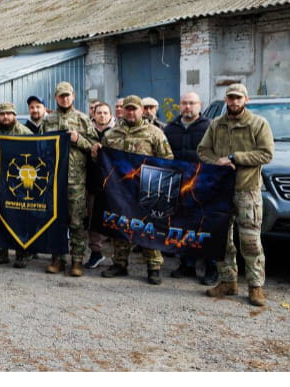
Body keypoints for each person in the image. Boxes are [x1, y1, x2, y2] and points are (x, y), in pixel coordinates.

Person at [197, 83, 274, 307]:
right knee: (222, 239)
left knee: (250, 241)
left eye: (238, 98)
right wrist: (218, 162)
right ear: (226, 99)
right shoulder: (216, 124)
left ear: (246, 100)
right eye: (231, 98)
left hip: (247, 190)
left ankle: (255, 286)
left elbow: (266, 153)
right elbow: (203, 150)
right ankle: (228, 281)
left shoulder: (257, 124)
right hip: (220, 190)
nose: (234, 102)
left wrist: (234, 157)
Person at [97, 95, 175, 284]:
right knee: (121, 224)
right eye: (128, 109)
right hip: (120, 189)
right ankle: (120, 263)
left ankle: (153, 266)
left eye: (135, 109)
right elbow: (104, 162)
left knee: (148, 227)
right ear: (122, 111)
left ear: (141, 110)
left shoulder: (154, 133)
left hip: (146, 188)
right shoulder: (112, 134)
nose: (131, 112)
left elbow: (168, 159)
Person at [40, 82, 97, 277]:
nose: (65, 99)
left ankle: (77, 260)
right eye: (61, 96)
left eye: (68, 95)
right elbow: (38, 146)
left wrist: (78, 140)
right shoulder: (48, 121)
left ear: (73, 96)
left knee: (76, 221)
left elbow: (95, 148)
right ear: (56, 97)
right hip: (54, 180)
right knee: (55, 221)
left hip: (75, 181)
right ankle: (57, 259)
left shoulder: (82, 120)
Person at [164, 91, 216, 284]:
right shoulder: (170, 129)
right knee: (183, 224)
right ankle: (187, 264)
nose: (188, 107)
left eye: (192, 103)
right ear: (180, 105)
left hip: (204, 184)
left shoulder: (210, 127)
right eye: (185, 103)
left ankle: (211, 267)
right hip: (179, 185)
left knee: (206, 225)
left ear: (200, 105)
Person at [0, 102, 34, 268]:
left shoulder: (25, 133)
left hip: (20, 183)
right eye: (2, 114)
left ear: (14, 115)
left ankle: (22, 253)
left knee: (20, 218)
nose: (5, 117)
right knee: (0, 215)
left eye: (8, 114)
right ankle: (2, 252)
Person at [85, 101, 115, 269]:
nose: (102, 116)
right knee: (93, 220)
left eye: (105, 113)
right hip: (92, 182)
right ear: (94, 115)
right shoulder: (87, 133)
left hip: (114, 185)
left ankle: (119, 259)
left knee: (115, 219)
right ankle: (96, 252)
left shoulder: (117, 133)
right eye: (99, 113)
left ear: (110, 115)